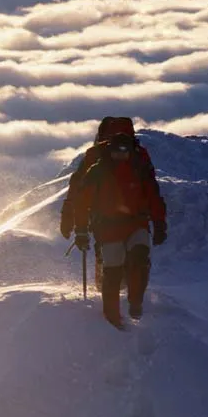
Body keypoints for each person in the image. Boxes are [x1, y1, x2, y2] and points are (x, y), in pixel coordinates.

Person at [61, 129, 167, 327]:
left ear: (130, 151)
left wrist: (159, 223)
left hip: (135, 223)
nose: (120, 155)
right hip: (108, 228)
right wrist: (81, 230)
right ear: (109, 151)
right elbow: (82, 202)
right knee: (113, 270)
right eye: (117, 151)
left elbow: (154, 197)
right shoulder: (97, 171)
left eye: (124, 151)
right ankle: (113, 319)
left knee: (140, 257)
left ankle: (135, 303)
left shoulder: (140, 169)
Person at [60, 117, 155, 290]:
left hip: (103, 217)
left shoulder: (95, 154)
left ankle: (105, 291)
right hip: (136, 217)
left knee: (106, 253)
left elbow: (78, 187)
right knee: (137, 254)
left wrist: (68, 216)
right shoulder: (140, 153)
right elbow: (150, 187)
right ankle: (136, 294)